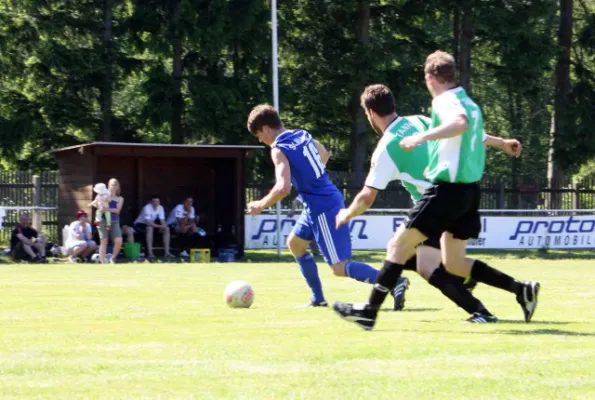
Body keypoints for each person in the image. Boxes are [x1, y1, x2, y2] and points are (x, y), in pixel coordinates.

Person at [333, 54, 540, 330]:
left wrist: (348, 213)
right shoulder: (419, 119)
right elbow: (466, 132)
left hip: (441, 197)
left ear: (370, 113)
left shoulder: (388, 147)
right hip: (467, 192)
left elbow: (367, 196)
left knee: (404, 252)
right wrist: (500, 142)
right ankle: (519, 289)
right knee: (450, 263)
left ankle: (369, 312)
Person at [245, 104, 409, 309]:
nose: (262, 140)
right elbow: (324, 154)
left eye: (259, 135)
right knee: (295, 244)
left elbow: (283, 187)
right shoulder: (302, 135)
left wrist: (260, 204)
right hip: (316, 202)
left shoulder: (278, 148)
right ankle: (318, 299)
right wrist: (311, 181)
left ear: (266, 129)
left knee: (339, 267)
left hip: (322, 206)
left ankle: (394, 282)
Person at [97, 178, 124, 264]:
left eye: (115, 185)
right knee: (104, 241)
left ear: (118, 186)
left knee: (118, 240)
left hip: (115, 221)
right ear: (108, 186)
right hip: (103, 220)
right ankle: (102, 262)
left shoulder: (120, 198)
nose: (114, 186)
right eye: (112, 185)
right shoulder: (103, 195)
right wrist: (100, 206)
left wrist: (107, 208)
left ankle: (113, 258)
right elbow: (98, 204)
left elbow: (117, 211)